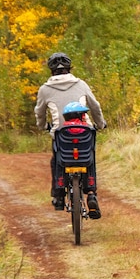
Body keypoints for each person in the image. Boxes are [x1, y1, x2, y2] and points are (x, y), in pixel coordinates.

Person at [34, 52, 106, 219]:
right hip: (84, 131)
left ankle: (58, 195)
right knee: (89, 158)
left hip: (61, 133)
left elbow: (39, 112)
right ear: (69, 68)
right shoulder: (81, 84)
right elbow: (95, 107)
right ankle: (92, 194)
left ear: (51, 71)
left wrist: (43, 126)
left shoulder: (45, 89)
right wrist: (100, 124)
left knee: (57, 159)